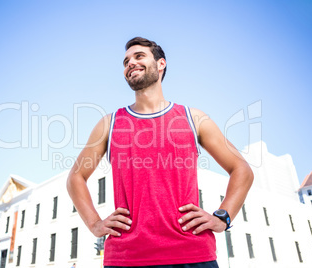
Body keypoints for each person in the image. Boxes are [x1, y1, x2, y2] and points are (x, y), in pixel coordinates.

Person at [67, 37, 254, 268]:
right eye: (125, 61)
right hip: (127, 257)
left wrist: (223, 218)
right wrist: (95, 224)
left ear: (161, 64)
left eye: (138, 56)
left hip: (192, 254)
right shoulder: (110, 123)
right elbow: (75, 177)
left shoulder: (193, 118)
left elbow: (242, 170)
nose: (130, 64)